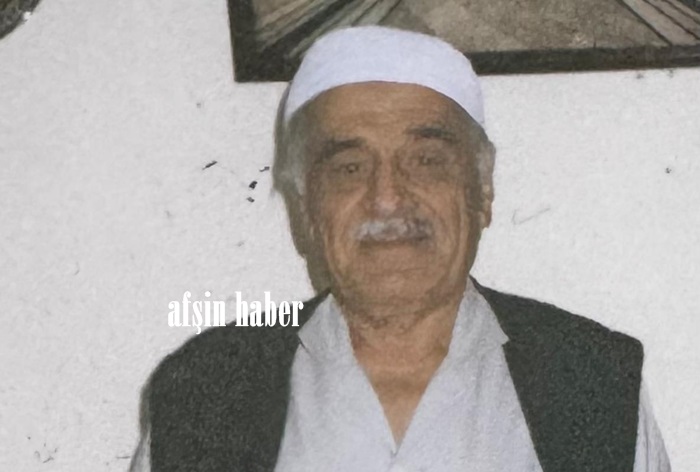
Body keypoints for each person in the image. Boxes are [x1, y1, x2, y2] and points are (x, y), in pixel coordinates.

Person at [130, 26, 670, 472]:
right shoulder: (207, 389)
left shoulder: (590, 377)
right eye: (349, 168)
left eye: (426, 160)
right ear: (305, 211)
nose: (387, 199)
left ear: (482, 191)